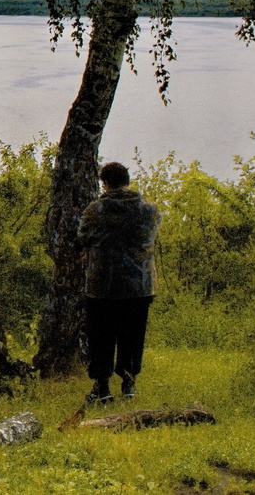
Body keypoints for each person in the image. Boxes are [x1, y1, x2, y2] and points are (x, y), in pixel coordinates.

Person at [78, 161, 160, 405]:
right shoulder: (149, 209)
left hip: (103, 285)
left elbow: (83, 238)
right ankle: (129, 383)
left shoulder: (97, 209)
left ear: (105, 183)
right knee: (132, 335)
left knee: (101, 337)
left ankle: (102, 388)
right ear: (127, 180)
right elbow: (149, 238)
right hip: (139, 284)